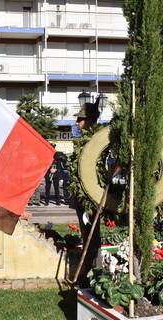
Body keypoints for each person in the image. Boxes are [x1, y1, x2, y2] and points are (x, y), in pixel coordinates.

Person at [71, 99, 101, 286]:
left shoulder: (96, 142)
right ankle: (90, 272)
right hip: (82, 197)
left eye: (80, 120)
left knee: (92, 236)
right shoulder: (84, 141)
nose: (76, 123)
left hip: (90, 197)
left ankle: (92, 274)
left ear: (90, 121)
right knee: (87, 235)